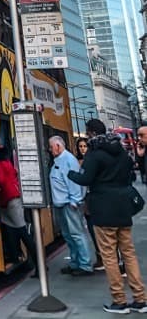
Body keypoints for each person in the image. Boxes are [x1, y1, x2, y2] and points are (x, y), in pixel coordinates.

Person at [68, 118, 147, 315]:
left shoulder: (94, 154)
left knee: (110, 256)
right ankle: (140, 298)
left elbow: (85, 178)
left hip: (103, 209)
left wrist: (71, 174)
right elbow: (131, 174)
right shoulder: (120, 151)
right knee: (129, 253)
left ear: (92, 133)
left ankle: (119, 301)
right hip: (123, 208)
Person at [48, 135, 94, 276]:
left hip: (70, 204)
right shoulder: (59, 160)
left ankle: (85, 265)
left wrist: (75, 200)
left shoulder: (68, 160)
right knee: (68, 236)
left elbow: (74, 183)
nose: (49, 150)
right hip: (61, 204)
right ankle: (75, 262)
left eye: (51, 147)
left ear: (58, 146)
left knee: (77, 234)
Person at [0, 146, 38, 275]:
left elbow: (1, 180)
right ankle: (15, 256)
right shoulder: (8, 162)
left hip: (9, 200)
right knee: (9, 228)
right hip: (13, 198)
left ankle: (38, 263)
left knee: (22, 231)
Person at [76, 137, 104, 272]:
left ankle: (102, 256)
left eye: (85, 146)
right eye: (80, 146)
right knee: (91, 228)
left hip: (92, 198)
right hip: (84, 198)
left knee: (96, 228)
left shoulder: (91, 161)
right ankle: (100, 256)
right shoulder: (78, 161)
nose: (82, 149)